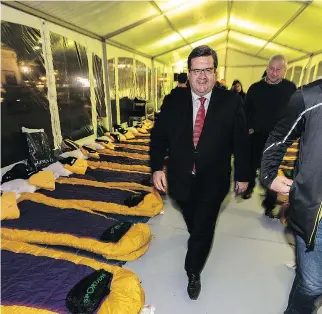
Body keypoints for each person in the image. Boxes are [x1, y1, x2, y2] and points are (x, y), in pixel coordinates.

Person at [150, 45, 250, 300]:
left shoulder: (231, 101)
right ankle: (197, 236)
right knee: (194, 220)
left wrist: (243, 174)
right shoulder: (173, 100)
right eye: (197, 70)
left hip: (213, 180)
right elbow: (158, 136)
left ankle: (193, 270)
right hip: (180, 179)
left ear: (215, 72)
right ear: (189, 72)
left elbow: (240, 140)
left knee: (204, 226)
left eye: (208, 69)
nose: (202, 76)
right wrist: (155, 168)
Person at [261, 78, 322, 314]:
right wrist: (268, 174)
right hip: (316, 213)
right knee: (313, 283)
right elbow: (280, 136)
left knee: (310, 279)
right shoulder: (310, 97)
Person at [242, 54, 296, 217]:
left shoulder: (290, 88)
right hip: (256, 135)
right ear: (266, 68)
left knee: (273, 172)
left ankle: (269, 205)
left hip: (278, 139)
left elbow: (294, 112)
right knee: (251, 165)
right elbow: (245, 111)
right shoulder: (255, 88)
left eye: (277, 70)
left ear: (284, 71)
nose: (273, 73)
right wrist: (248, 127)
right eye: (271, 69)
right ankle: (249, 184)